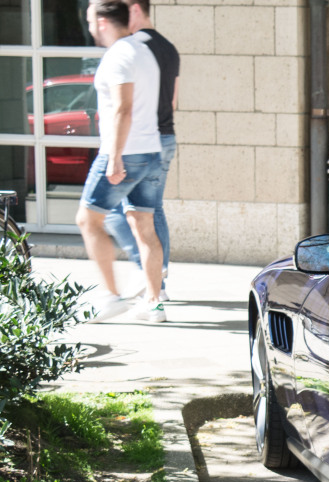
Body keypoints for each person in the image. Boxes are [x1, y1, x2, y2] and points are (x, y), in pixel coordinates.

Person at [76, 0, 166, 323]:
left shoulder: (119, 55)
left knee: (87, 220)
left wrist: (114, 157)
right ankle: (154, 304)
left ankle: (111, 296)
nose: (88, 28)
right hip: (151, 150)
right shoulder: (145, 52)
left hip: (126, 152)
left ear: (102, 22)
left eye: (89, 20)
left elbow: (122, 109)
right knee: (144, 227)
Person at [103, 0, 179, 301]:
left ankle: (148, 274)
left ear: (135, 9)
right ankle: (157, 281)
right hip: (166, 136)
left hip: (142, 141)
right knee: (152, 210)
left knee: (110, 211)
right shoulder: (168, 48)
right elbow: (173, 101)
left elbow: (126, 104)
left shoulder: (134, 48)